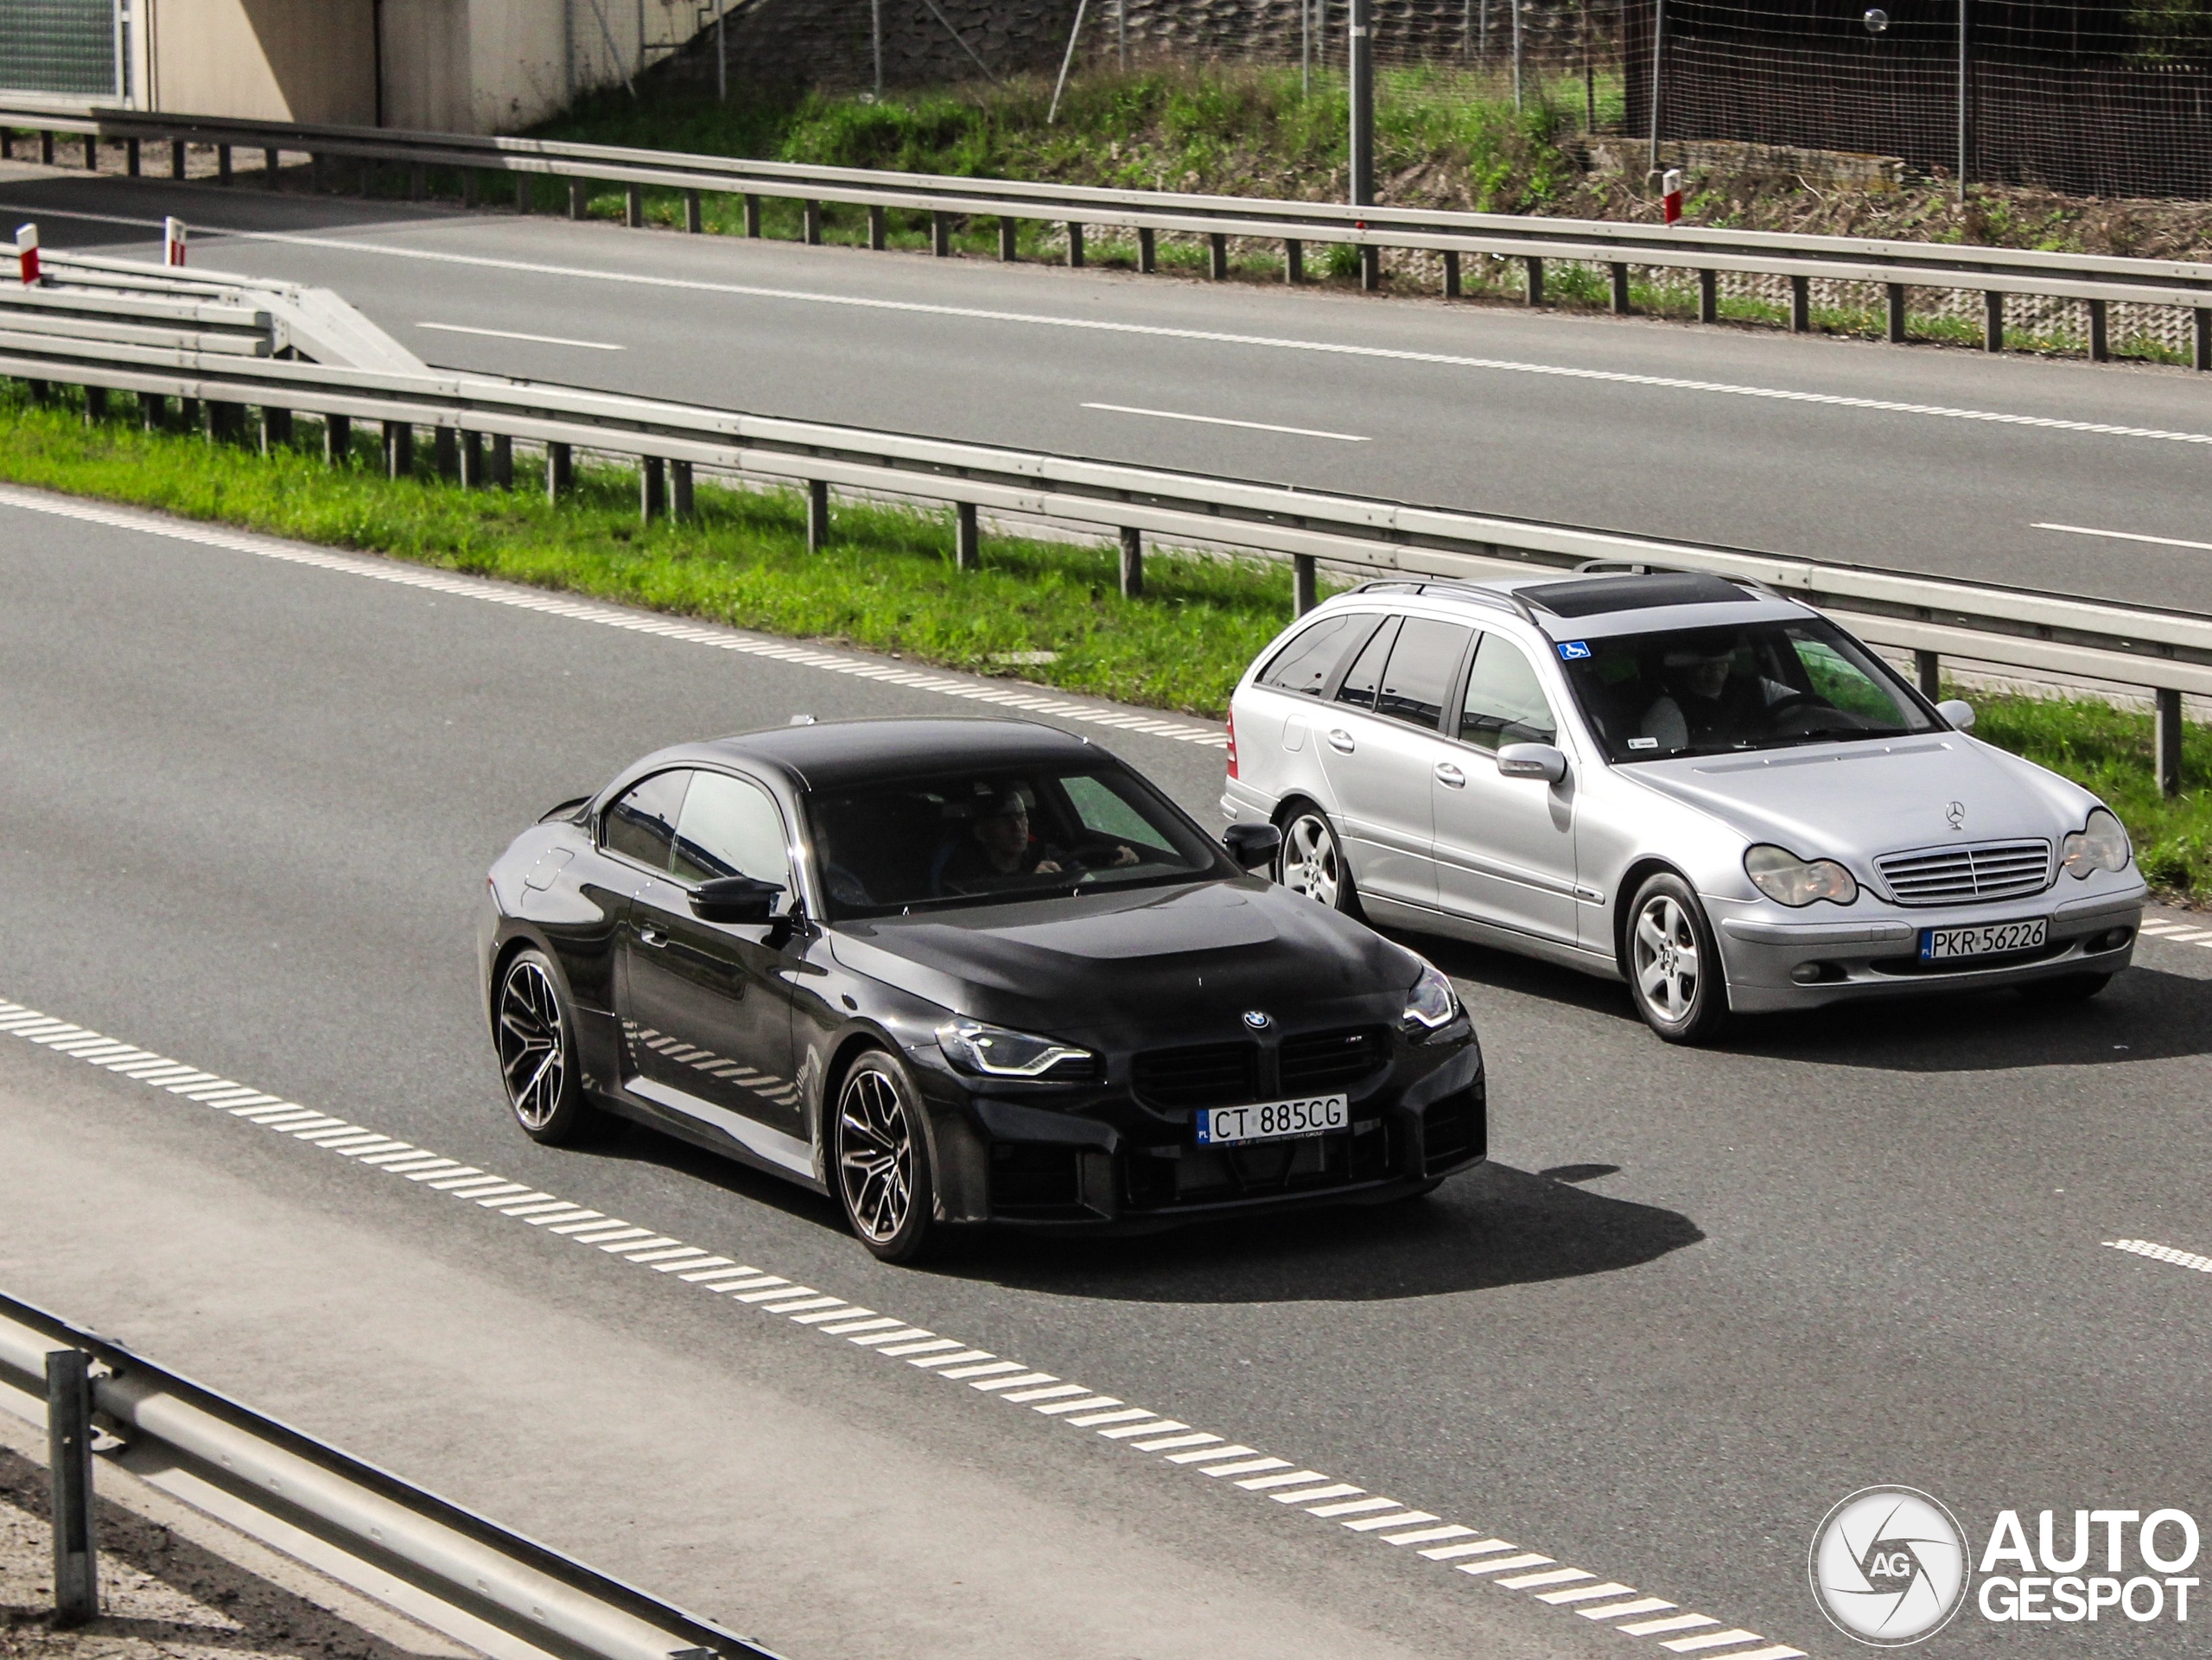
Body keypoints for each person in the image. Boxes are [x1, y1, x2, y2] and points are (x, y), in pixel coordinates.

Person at [1638, 638, 1793, 754]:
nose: (1714, 667)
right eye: (1704, 663)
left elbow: (1802, 706)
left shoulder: (1759, 688)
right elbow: (1671, 765)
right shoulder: (1668, 710)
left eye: (1719, 660)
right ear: (1686, 664)